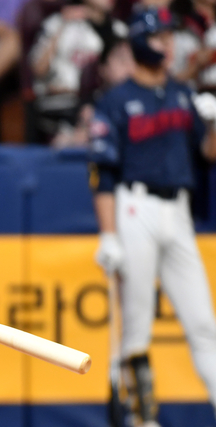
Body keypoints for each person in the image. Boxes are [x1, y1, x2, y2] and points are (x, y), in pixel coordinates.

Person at [89, 8, 216, 427]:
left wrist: (213, 124)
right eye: (159, 37)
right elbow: (102, 172)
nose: (168, 45)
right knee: (137, 322)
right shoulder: (116, 100)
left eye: (170, 37)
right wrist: (108, 234)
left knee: (203, 322)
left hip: (178, 210)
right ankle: (143, 418)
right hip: (134, 206)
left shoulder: (181, 93)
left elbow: (208, 154)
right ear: (140, 42)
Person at [30, 0, 127, 143]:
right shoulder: (57, 22)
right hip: (61, 104)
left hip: (101, 103)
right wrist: (62, 26)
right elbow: (39, 69)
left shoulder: (119, 29)